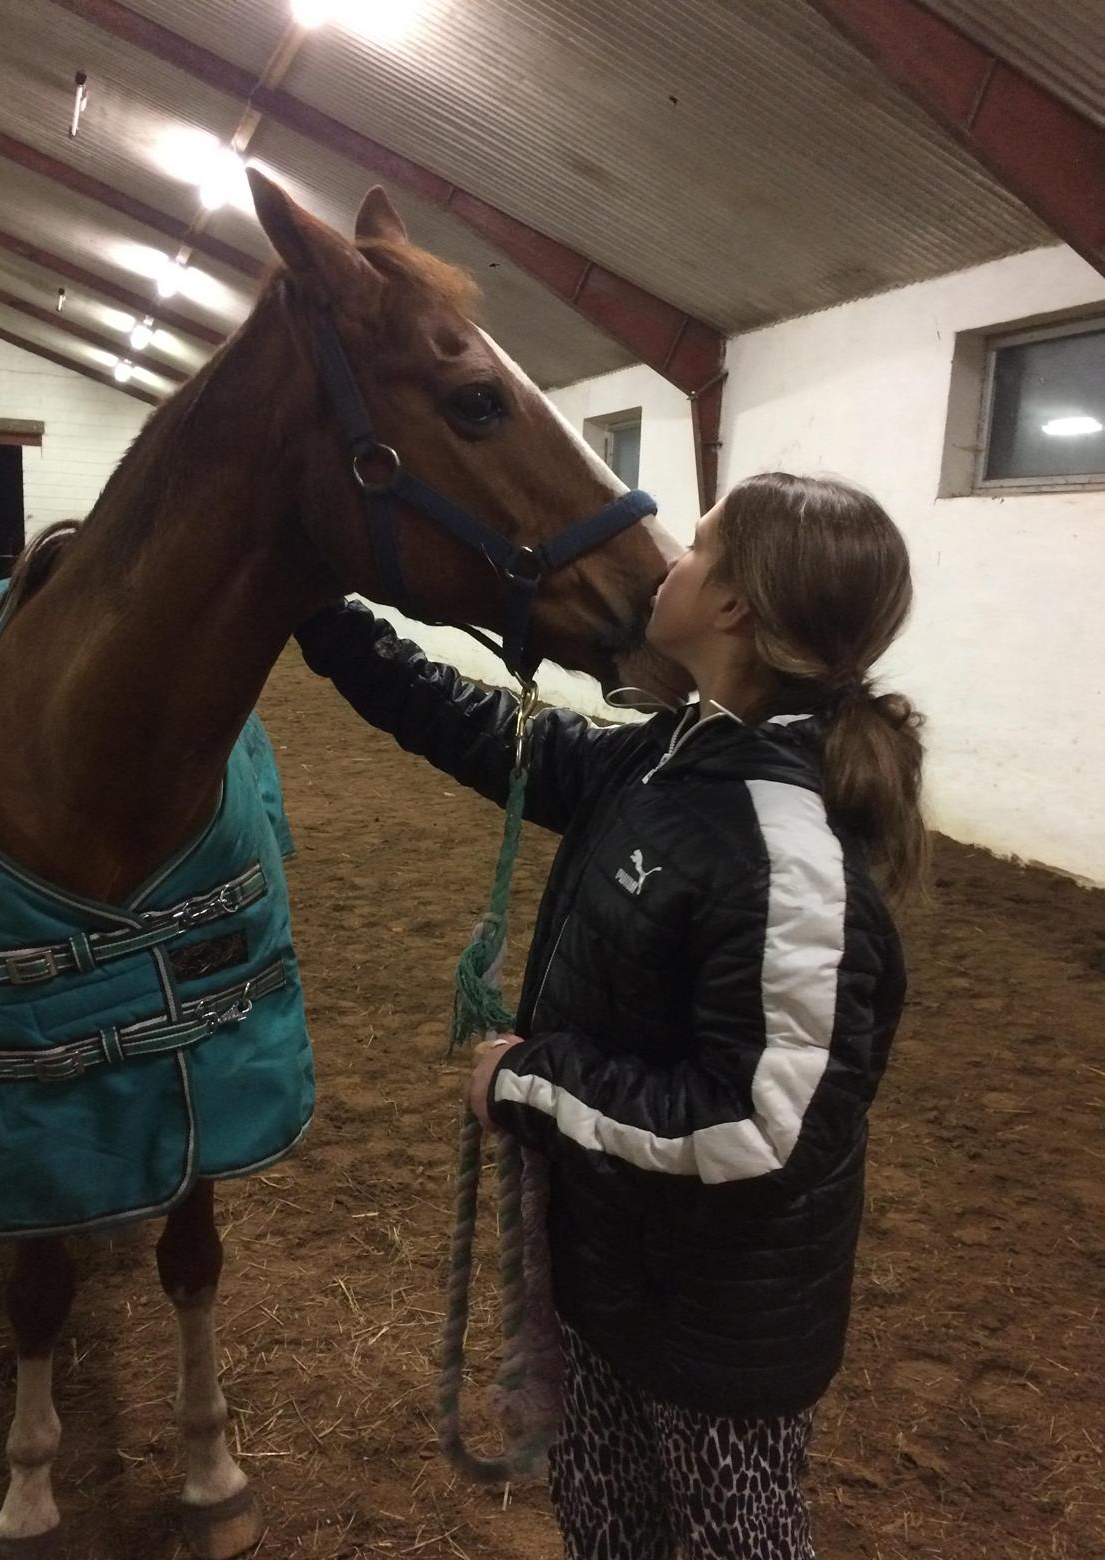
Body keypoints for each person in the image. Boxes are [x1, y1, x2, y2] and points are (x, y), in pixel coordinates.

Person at [295, 471, 926, 1560]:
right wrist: (321, 615)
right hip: (619, 1268)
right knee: (607, 1519)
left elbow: (762, 1128)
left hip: (720, 1325)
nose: (665, 561)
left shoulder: (788, 859)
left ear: (733, 608)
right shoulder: (671, 752)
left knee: (736, 1538)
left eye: (696, 548)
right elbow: (488, 731)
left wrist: (529, 1080)